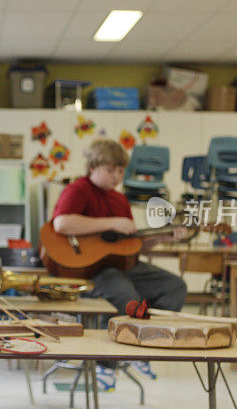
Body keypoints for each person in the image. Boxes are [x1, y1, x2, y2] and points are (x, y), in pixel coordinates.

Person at [51, 138, 187, 387]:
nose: (117, 176)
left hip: (123, 266)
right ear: (93, 167)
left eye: (121, 170)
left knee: (175, 287)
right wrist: (112, 223)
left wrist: (161, 238)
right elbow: (61, 224)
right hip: (91, 270)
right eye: (110, 170)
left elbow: (131, 245)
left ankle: (143, 348)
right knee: (127, 298)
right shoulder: (78, 190)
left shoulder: (119, 200)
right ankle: (106, 364)